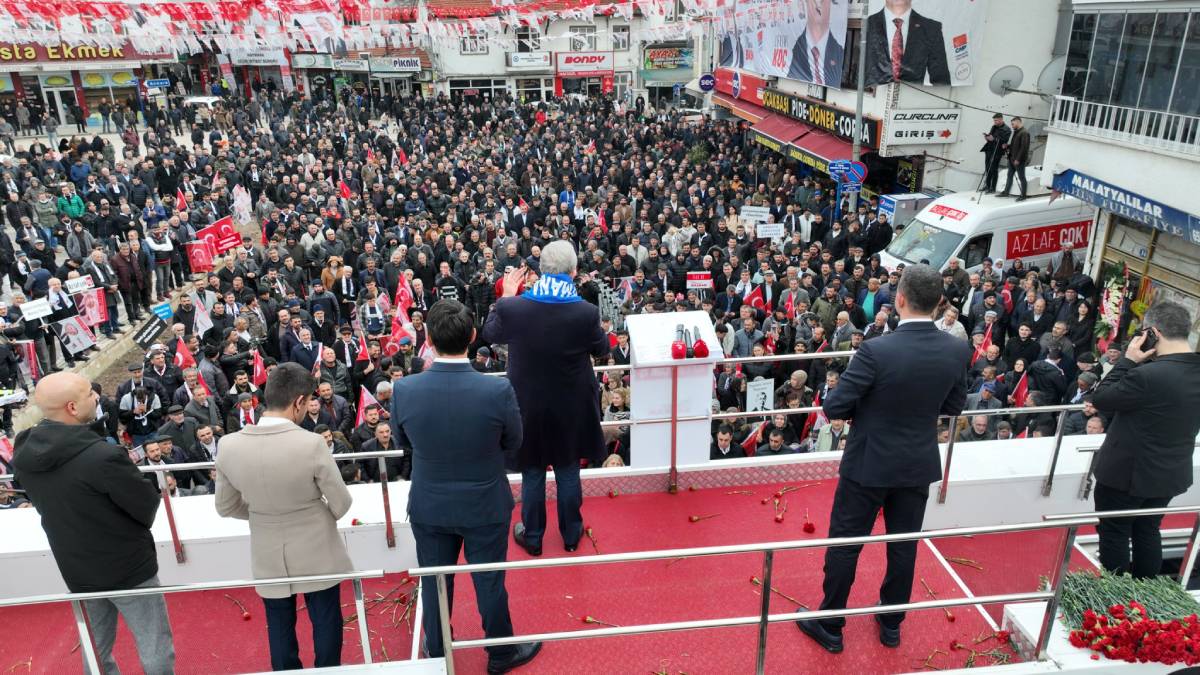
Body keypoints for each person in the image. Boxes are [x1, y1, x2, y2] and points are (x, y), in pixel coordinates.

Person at [797, 264, 970, 653]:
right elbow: (955, 405)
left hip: (868, 465)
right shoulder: (957, 348)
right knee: (903, 545)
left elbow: (836, 406)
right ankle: (892, 622)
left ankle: (831, 625)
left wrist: (871, 411)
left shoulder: (876, 349)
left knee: (845, 544)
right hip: (916, 465)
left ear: (901, 299)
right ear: (939, 302)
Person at [391, 299, 542, 673]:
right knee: (489, 581)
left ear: (428, 337)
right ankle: (500, 654)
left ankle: (439, 650)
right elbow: (514, 441)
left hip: (430, 504)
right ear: (473, 337)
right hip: (484, 503)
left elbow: (402, 442)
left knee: (435, 581)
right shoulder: (497, 391)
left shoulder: (404, 390)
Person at [11, 372, 174, 675]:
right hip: (129, 568)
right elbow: (146, 505)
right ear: (72, 407)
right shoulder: (103, 456)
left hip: (76, 568)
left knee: (95, 649)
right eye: (89, 393)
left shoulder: (23, 452)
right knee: (154, 648)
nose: (97, 396)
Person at [214, 362, 354, 670]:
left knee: (279, 629)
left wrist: (263, 513)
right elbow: (341, 503)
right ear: (299, 402)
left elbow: (225, 506)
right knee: (327, 623)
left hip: (266, 548)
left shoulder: (228, 445)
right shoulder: (311, 443)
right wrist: (316, 513)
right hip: (318, 547)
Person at [483, 241, 609, 556]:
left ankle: (534, 536)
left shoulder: (514, 307)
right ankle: (570, 534)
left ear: (541, 269)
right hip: (571, 406)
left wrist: (506, 297)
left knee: (533, 470)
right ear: (574, 271)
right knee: (567, 469)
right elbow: (602, 350)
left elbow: (490, 334)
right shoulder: (585, 311)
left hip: (529, 406)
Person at [1091, 301, 1200, 578]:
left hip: (1125, 475)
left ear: (1153, 333)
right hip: (1169, 473)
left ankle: (1115, 594)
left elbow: (1102, 398)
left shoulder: (1147, 375)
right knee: (1148, 529)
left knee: (1115, 531)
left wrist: (1128, 360)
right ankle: (1145, 591)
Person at [864, 0, 951, 87]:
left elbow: (942, 82)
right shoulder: (866, 26)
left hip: (913, 98)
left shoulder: (931, 29)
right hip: (872, 98)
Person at [787, 0, 844, 88]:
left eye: (823, 1)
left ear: (830, 5)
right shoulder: (793, 51)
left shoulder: (840, 53)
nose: (819, 4)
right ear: (804, 4)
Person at [997, 117, 1031, 201]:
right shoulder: (1017, 132)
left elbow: (1024, 148)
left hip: (1019, 160)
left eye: (1013, 124)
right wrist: (1007, 146)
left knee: (1021, 177)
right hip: (1012, 158)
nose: (1012, 126)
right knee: (1009, 175)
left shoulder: (1024, 133)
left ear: (1018, 122)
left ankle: (1023, 195)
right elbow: (1014, 145)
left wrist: (1018, 159)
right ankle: (1006, 192)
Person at [980, 114, 1011, 193]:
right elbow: (991, 136)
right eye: (994, 120)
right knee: (988, 168)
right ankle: (987, 185)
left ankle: (992, 188)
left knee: (994, 169)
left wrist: (994, 139)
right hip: (989, 149)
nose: (995, 122)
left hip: (997, 151)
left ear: (1001, 119)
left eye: (996, 120)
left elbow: (1004, 141)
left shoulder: (1007, 129)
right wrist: (987, 138)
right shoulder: (994, 127)